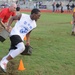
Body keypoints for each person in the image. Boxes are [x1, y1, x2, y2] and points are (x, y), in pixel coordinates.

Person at [0, 8, 41, 73]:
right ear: (33, 14)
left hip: (20, 37)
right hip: (14, 33)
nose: (39, 17)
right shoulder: (23, 16)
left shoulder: (34, 24)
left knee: (12, 53)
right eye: (38, 15)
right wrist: (8, 27)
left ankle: (3, 62)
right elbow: (12, 18)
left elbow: (28, 32)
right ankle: (4, 62)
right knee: (21, 47)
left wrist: (27, 41)